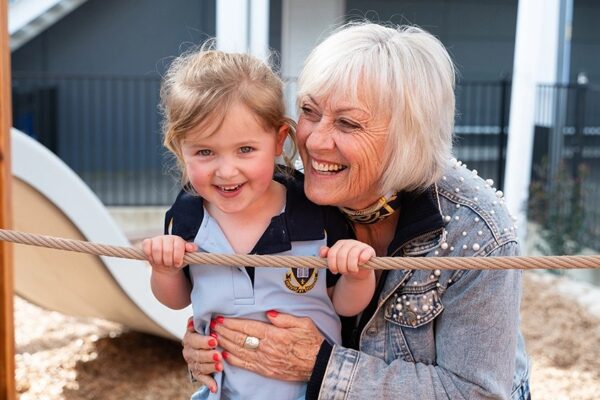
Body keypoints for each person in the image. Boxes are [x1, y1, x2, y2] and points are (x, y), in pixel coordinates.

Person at [181, 22, 531, 400]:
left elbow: (477, 394)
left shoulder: (477, 232)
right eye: (310, 112)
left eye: (347, 123)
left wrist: (322, 366)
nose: (314, 141)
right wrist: (210, 346)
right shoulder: (282, 196)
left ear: (407, 136)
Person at [142, 46, 376, 400]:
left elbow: (344, 305)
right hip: (222, 392)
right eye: (205, 152)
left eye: (245, 150)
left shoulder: (313, 211)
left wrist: (358, 272)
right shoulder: (188, 216)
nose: (226, 170)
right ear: (180, 148)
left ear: (279, 140)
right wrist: (164, 268)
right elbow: (177, 299)